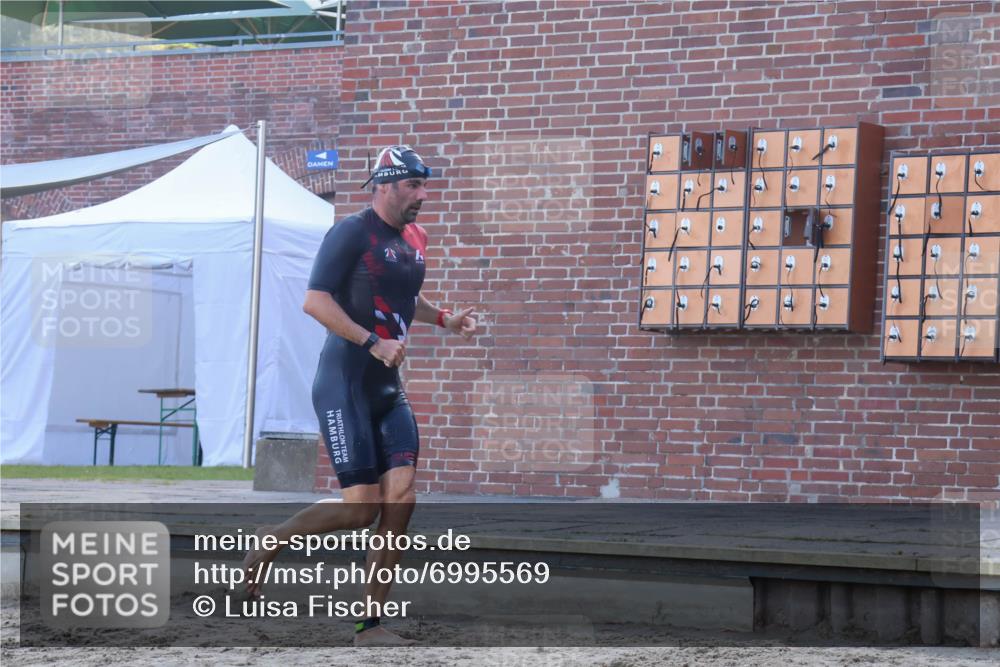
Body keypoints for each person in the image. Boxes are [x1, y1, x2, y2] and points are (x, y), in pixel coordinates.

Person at [241, 145, 477, 647]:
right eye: (413, 185)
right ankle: (271, 539)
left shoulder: (415, 237)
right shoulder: (351, 232)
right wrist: (373, 342)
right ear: (385, 186)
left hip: (388, 389)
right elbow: (314, 301)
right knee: (360, 511)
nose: (422, 195)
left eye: (424, 184)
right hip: (344, 383)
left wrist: (444, 319)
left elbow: (402, 295)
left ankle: (368, 626)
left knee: (401, 501)